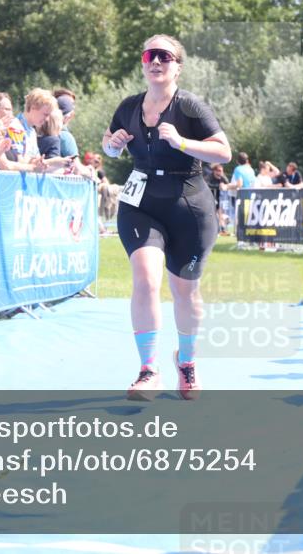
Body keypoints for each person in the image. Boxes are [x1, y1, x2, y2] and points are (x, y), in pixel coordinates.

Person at [102, 34, 231, 401]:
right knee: (145, 280)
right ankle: (148, 370)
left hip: (189, 206)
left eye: (164, 56)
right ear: (143, 64)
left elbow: (223, 152)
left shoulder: (190, 107)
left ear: (178, 67)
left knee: (185, 292)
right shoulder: (129, 106)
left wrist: (182, 143)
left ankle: (186, 363)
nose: (156, 61)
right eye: (149, 56)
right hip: (141, 203)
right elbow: (108, 143)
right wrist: (112, 146)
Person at [54, 89, 80, 158]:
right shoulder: (65, 136)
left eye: (72, 104)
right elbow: (74, 163)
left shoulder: (38, 130)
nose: (73, 107)